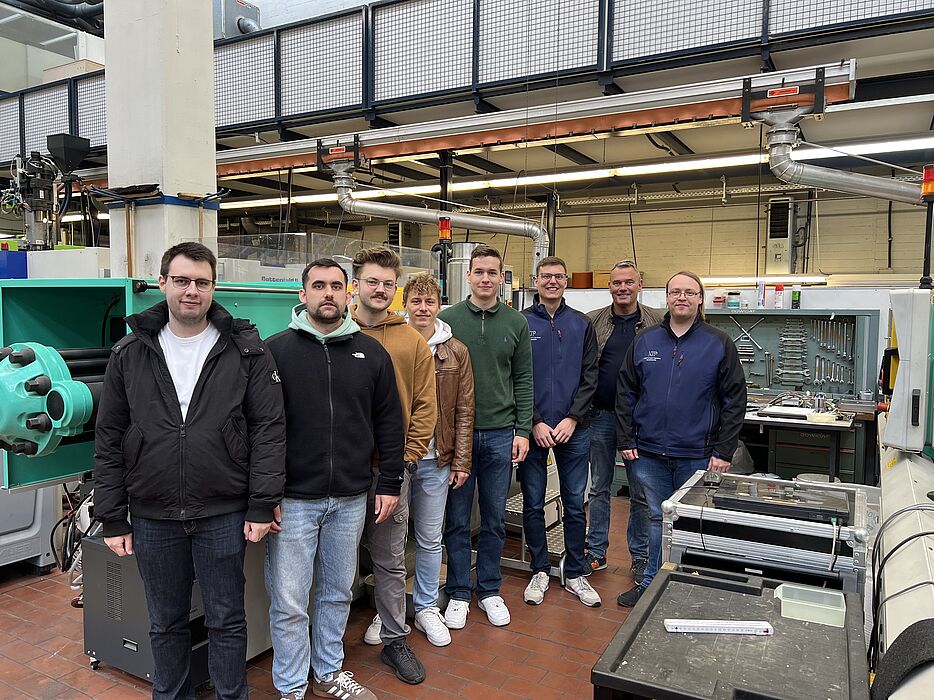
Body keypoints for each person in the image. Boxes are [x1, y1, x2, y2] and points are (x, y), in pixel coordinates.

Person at [94, 242, 286, 700]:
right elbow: (110, 436)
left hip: (222, 511)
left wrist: (262, 504)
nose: (191, 291)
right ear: (162, 283)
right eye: (181, 281)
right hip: (153, 512)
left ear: (213, 287)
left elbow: (269, 429)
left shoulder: (245, 349)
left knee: (227, 619)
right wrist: (112, 515)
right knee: (164, 622)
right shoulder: (129, 352)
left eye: (201, 282)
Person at [265, 258, 404, 700]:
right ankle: (291, 686)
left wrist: (389, 483)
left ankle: (327, 671)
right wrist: (263, 495)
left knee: (338, 592)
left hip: (350, 497)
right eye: (318, 285)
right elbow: (258, 429)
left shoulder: (372, 354)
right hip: (292, 499)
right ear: (302, 294)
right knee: (289, 600)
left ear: (348, 294)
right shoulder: (275, 351)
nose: (328, 293)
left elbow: (390, 423)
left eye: (336, 286)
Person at [615, 270, 746, 608]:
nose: (682, 297)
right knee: (656, 518)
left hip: (697, 454)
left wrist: (724, 451)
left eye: (689, 292)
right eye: (675, 292)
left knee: (693, 521)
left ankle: (687, 587)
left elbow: (734, 401)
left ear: (700, 299)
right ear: (667, 298)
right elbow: (626, 392)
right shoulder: (645, 340)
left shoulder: (718, 343)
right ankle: (652, 585)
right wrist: (626, 438)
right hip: (648, 453)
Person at [349, 247, 436, 685]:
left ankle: (395, 639)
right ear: (355, 286)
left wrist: (408, 458)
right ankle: (324, 647)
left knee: (389, 560)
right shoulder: (336, 332)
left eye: (387, 283)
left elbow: (425, 405)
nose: (380, 289)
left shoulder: (411, 341)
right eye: (372, 281)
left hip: (389, 470)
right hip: (339, 473)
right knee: (333, 566)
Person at [439, 244, 533, 628]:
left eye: (492, 272)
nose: (485, 279)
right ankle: (459, 591)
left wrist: (522, 430)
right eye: (478, 272)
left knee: (494, 518)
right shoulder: (447, 320)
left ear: (501, 278)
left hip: (499, 434)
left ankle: (489, 589)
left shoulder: (516, 322)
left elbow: (523, 379)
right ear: (468, 276)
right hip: (457, 437)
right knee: (457, 519)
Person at [520, 256, 601, 607]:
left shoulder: (581, 324)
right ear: (536, 280)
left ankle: (575, 573)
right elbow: (516, 376)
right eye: (545, 276)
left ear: (566, 281)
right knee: (533, 502)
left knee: (574, 503)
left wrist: (573, 418)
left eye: (558, 276)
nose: (552, 281)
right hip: (533, 429)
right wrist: (534, 421)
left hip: (574, 429)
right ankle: (539, 569)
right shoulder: (521, 322)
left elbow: (590, 375)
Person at [401, 272, 475, 645]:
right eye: (416, 301)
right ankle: (390, 609)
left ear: (439, 306)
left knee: (430, 539)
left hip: (436, 460)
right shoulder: (393, 343)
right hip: (398, 460)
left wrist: (460, 461)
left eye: (429, 302)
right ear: (405, 305)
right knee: (391, 541)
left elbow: (464, 410)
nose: (423, 308)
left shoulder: (455, 351)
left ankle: (427, 606)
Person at [586, 260, 662, 579]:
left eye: (629, 282)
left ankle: (640, 556)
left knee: (640, 491)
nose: (623, 288)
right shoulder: (593, 321)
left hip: (639, 422)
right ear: (609, 287)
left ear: (639, 285)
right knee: (599, 487)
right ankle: (596, 551)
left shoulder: (658, 321)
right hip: (600, 416)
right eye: (617, 282)